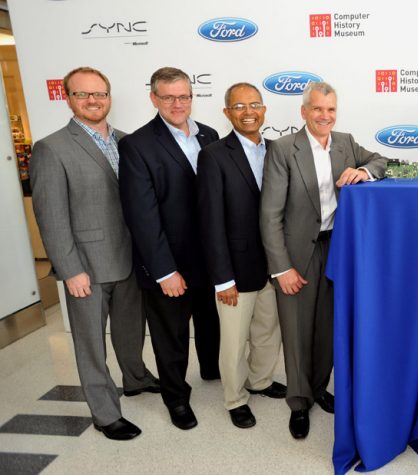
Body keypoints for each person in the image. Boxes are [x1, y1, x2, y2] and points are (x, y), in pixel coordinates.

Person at [29, 66, 159, 440]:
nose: (93, 101)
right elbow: (51, 217)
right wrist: (71, 270)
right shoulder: (51, 148)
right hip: (87, 266)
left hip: (131, 259)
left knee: (131, 331)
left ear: (109, 97)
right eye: (83, 94)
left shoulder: (127, 141)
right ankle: (105, 414)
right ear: (68, 98)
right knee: (91, 343)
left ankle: (135, 378)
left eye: (99, 94)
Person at [260, 81, 387, 439]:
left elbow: (382, 161)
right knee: (298, 328)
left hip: (338, 248)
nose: (324, 116)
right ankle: (298, 401)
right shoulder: (284, 149)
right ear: (304, 112)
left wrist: (365, 172)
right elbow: (269, 215)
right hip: (298, 252)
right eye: (317, 109)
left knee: (328, 326)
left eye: (330, 109)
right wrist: (281, 268)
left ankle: (317, 387)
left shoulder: (345, 142)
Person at [119, 67, 220, 430]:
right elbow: (141, 216)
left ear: (192, 97)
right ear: (154, 99)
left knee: (211, 323)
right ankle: (177, 399)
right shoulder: (136, 145)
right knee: (171, 337)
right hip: (169, 263)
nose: (178, 104)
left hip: (210, 259)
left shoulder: (209, 135)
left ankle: (212, 371)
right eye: (169, 97)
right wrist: (164, 270)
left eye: (184, 96)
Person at [197, 82, 287, 429]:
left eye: (255, 104)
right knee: (234, 341)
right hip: (236, 268)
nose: (248, 112)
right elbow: (210, 222)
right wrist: (223, 278)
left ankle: (260, 381)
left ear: (264, 110)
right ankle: (235, 398)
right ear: (227, 113)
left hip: (274, 265)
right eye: (239, 106)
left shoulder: (279, 149)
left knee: (268, 331)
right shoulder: (214, 155)